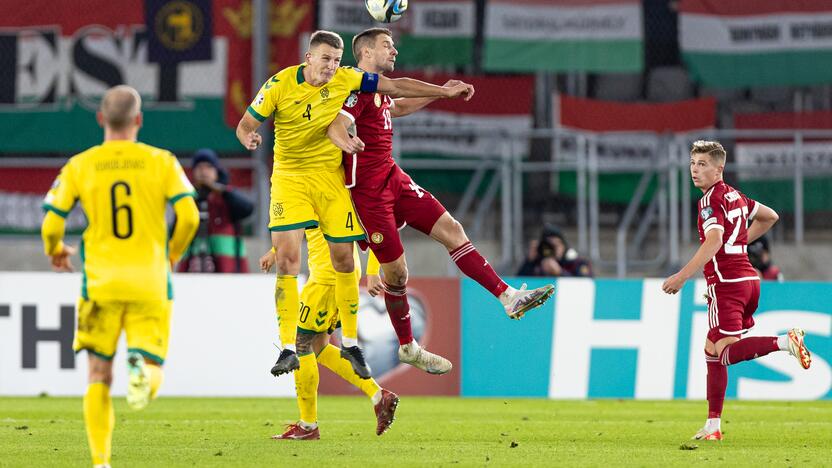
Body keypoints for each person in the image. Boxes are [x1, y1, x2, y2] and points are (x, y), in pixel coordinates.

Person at [235, 30, 475, 379]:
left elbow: (396, 89)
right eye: (325, 59)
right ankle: (288, 347)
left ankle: (349, 343)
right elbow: (245, 125)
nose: (331, 67)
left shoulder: (349, 79)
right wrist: (250, 137)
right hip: (289, 178)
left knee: (345, 258)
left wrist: (442, 91)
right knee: (288, 260)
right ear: (308, 58)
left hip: (330, 179)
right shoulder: (279, 84)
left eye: (336, 60)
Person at [325, 28, 555, 375]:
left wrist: (441, 96)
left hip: (393, 178)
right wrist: (347, 142)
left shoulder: (377, 93)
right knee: (398, 274)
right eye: (388, 45)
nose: (395, 50)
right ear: (367, 52)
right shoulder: (354, 90)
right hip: (368, 194)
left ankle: (508, 297)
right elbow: (338, 125)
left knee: (452, 228)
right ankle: (407, 347)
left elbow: (398, 104)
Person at [40, 85, 199, 467]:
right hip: (149, 280)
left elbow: (50, 225)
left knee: (97, 373)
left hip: (100, 283)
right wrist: (172, 253)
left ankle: (101, 462)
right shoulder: (161, 160)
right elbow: (190, 216)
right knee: (151, 363)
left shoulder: (81, 164)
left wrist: (56, 251)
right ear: (139, 120)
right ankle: (142, 375)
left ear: (100, 119)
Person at [661, 140, 811, 441]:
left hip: (727, 284)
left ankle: (784, 342)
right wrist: (740, 241)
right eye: (693, 163)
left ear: (719, 169)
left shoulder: (709, 201)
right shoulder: (736, 196)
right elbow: (770, 216)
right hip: (749, 281)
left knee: (725, 352)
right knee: (711, 350)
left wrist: (682, 276)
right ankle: (713, 425)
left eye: (702, 164)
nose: (695, 169)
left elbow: (714, 240)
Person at [260, 230, 398, 440]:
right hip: (345, 280)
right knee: (320, 348)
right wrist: (274, 251)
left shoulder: (316, 197)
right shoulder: (344, 197)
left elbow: (378, 228)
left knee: (300, 346)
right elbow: (374, 228)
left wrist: (374, 272)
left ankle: (307, 426)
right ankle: (378, 395)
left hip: (325, 280)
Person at [177, 148, 254, 273]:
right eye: (200, 167)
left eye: (209, 167)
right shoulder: (188, 199)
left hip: (229, 270)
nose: (204, 171)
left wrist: (221, 190)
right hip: (192, 270)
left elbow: (248, 208)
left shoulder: (227, 198)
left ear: (217, 172)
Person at [516, 225, 592, 277]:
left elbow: (586, 285)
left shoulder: (576, 262)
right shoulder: (536, 262)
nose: (551, 249)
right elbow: (518, 284)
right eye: (548, 245)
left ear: (563, 245)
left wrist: (560, 273)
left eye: (555, 245)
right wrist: (529, 262)